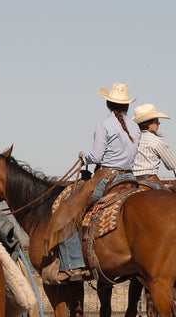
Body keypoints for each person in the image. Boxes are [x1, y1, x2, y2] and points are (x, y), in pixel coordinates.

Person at [54, 82, 141, 282]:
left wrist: (83, 155)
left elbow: (96, 155)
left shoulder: (104, 124)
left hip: (107, 178)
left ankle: (73, 265)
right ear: (127, 105)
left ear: (108, 104)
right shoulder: (135, 127)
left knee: (68, 210)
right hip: (130, 178)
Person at [133, 103, 176, 186]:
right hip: (149, 180)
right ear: (149, 124)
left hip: (130, 181)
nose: (158, 125)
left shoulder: (130, 139)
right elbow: (172, 165)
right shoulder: (156, 140)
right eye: (157, 122)